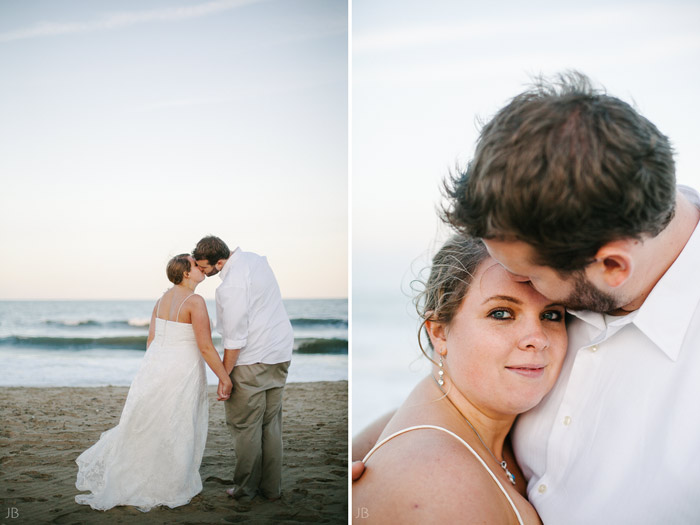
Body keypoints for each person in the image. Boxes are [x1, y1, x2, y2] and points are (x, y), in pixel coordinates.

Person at [440, 72, 700, 523]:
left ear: (612, 267)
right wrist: (388, 451)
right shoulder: (577, 255)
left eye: (528, 276)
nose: (520, 289)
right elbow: (458, 378)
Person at [353, 235, 567, 524]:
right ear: (439, 331)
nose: (537, 339)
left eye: (551, 315)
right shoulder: (437, 482)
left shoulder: (474, 420)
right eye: (501, 313)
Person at [75, 254, 233, 512]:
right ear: (185, 273)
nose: (200, 268)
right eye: (195, 265)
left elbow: (151, 340)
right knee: (177, 421)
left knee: (153, 422)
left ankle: (144, 475)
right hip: (182, 369)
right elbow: (205, 346)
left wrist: (152, 371)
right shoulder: (195, 301)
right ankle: (170, 483)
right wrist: (224, 377)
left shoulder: (161, 301)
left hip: (156, 367)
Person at [193, 235, 293, 503]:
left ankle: (245, 490)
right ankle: (272, 489)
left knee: (245, 426)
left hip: (252, 360)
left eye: (204, 267)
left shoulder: (230, 286)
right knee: (271, 426)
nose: (202, 271)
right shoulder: (255, 260)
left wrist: (224, 377)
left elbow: (235, 337)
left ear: (220, 261)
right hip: (281, 353)